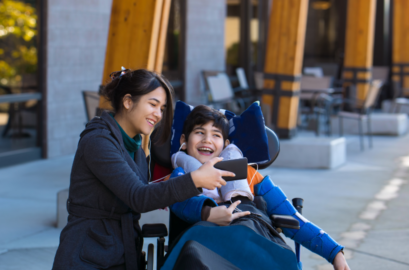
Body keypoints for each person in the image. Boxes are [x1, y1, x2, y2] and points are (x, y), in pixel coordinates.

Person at [51, 69, 235, 270]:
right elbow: (138, 197)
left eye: (162, 108)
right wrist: (195, 180)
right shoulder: (98, 142)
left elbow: (146, 194)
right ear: (128, 102)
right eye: (153, 104)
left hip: (122, 253)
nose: (158, 115)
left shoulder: (136, 149)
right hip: (87, 256)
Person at [169, 105, 350, 270]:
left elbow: (291, 216)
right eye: (199, 132)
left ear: (225, 145)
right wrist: (207, 213)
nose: (207, 140)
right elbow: (181, 203)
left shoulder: (249, 175)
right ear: (184, 140)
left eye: (216, 134)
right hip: (204, 248)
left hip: (252, 242)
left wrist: (334, 253)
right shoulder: (179, 176)